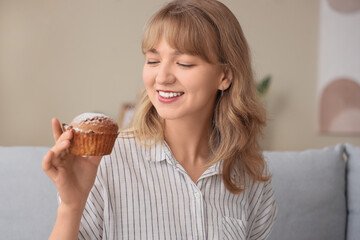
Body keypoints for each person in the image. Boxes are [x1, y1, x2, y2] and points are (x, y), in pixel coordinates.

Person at [42, 0, 277, 239]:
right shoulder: (105, 162)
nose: (162, 77)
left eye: (183, 63)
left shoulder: (251, 175)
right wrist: (71, 207)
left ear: (225, 76)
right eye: (153, 61)